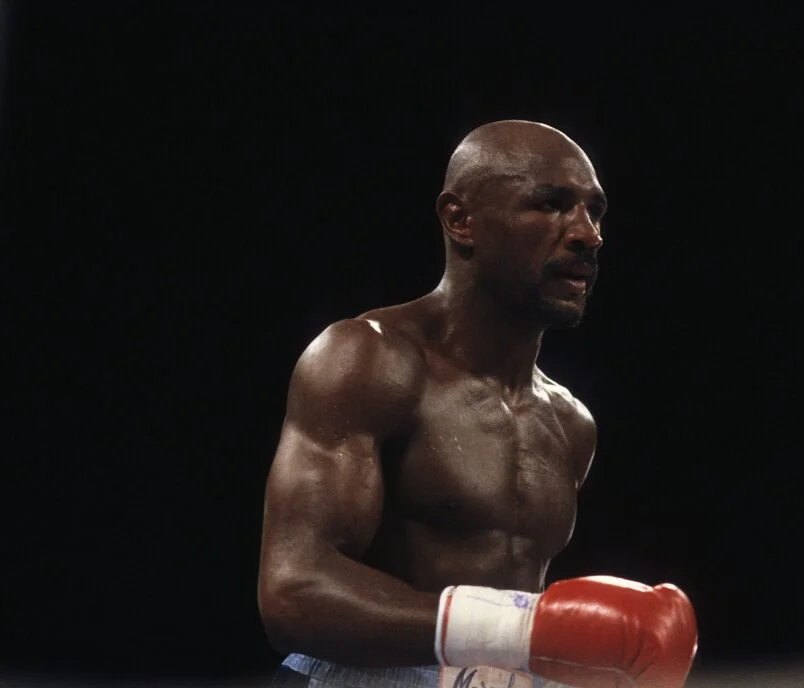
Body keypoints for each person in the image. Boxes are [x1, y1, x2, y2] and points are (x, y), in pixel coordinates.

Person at [257, 120, 698, 688]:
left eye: (595, 211)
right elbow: (292, 591)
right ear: (460, 220)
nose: (589, 234)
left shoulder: (569, 423)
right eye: (552, 204)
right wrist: (527, 631)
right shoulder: (368, 360)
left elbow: (504, 636)